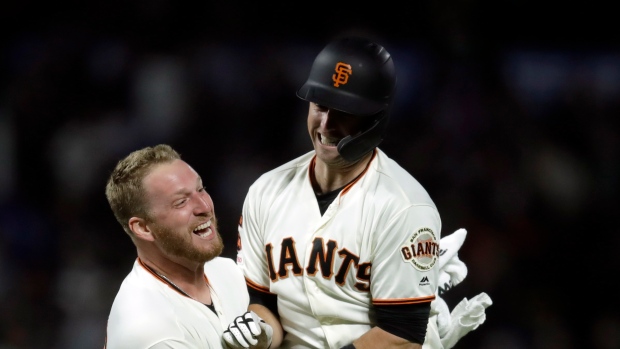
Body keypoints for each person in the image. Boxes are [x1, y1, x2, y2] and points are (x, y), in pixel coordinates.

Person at [223, 36, 444, 349]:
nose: (326, 125)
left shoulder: (405, 207)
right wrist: (257, 335)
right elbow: (263, 304)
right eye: (320, 106)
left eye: (344, 112)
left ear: (375, 120)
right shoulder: (266, 191)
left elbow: (401, 337)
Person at [103, 144, 257, 348]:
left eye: (201, 189)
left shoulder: (226, 270)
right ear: (143, 228)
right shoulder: (150, 330)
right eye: (181, 202)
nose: (204, 207)